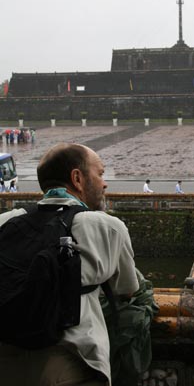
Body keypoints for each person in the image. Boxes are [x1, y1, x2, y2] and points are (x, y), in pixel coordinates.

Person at [0, 142, 139, 386]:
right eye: (100, 173)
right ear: (77, 178)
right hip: (73, 364)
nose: (104, 182)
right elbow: (127, 290)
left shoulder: (6, 222)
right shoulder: (107, 227)